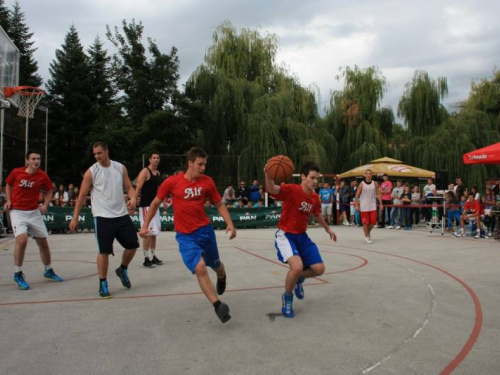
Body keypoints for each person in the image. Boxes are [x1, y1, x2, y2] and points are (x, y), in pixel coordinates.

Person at [139, 147, 236, 324]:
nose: (203, 168)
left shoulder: (208, 182)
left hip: (205, 232)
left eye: (205, 165)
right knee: (200, 268)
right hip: (185, 236)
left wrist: (230, 223)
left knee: (215, 264)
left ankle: (222, 276)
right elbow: (154, 203)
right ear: (189, 163)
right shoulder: (172, 182)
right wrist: (145, 226)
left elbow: (219, 204)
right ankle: (217, 305)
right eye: (200, 164)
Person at [264, 161, 337, 318]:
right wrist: (268, 174)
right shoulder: (291, 190)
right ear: (303, 177)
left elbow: (317, 214)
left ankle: (299, 279)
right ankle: (287, 297)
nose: (315, 181)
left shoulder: (315, 198)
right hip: (286, 235)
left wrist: (328, 229)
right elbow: (272, 188)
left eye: (317, 178)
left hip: (302, 236)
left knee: (319, 269)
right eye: (312, 178)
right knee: (297, 267)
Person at [69, 141, 139, 298]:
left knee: (133, 245)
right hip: (102, 217)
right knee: (104, 251)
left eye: (99, 153)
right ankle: (103, 283)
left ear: (107, 151)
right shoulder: (91, 172)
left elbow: (129, 187)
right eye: (95, 154)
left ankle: (123, 269)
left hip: (121, 215)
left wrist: (133, 198)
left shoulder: (119, 168)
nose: (97, 156)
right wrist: (75, 217)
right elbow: (81, 196)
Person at [5, 150, 64, 290]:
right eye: (33, 159)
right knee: (22, 240)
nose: (36, 161)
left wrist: (45, 204)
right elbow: (8, 185)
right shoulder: (16, 172)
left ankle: (48, 270)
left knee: (43, 243)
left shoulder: (42, 175)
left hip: (34, 213)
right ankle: (18, 273)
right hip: (18, 212)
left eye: (38, 159)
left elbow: (49, 191)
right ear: (27, 161)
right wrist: (8, 200)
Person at [135, 151, 163, 268]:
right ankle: (146, 258)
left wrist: (163, 200)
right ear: (150, 160)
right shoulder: (145, 172)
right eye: (154, 158)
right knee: (147, 231)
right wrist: (133, 201)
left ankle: (153, 256)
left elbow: (158, 189)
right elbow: (138, 188)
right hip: (146, 206)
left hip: (155, 206)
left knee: (154, 233)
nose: (156, 159)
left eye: (158, 158)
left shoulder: (157, 173)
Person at [354, 169, 383, 244]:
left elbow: (378, 194)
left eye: (370, 173)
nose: (368, 175)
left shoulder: (375, 183)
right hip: (364, 206)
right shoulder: (362, 184)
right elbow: (357, 195)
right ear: (365, 175)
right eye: (367, 173)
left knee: (373, 222)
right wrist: (357, 204)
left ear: (371, 175)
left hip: (373, 205)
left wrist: (381, 204)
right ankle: (367, 237)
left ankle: (367, 233)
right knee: (365, 223)